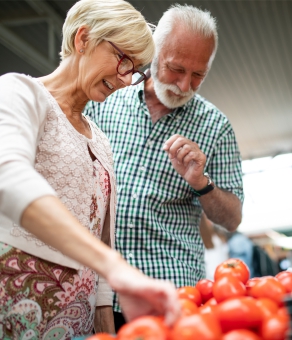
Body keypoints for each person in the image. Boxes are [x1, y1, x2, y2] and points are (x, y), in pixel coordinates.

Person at [0, 0, 180, 338]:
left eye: (134, 70)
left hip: (75, 327)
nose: (125, 80)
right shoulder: (20, 92)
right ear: (83, 39)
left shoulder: (101, 141)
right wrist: (114, 266)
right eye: (123, 61)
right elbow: (4, 177)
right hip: (6, 308)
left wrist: (107, 330)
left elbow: (103, 248)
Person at [84, 4, 243, 330]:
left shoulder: (217, 127)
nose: (185, 85)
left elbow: (233, 219)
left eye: (198, 75)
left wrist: (202, 183)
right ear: (154, 52)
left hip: (172, 294)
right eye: (176, 69)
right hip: (99, 293)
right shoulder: (106, 100)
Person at [199, 213, 230, 280]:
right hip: (222, 278)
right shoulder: (218, 238)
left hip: (215, 280)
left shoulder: (214, 240)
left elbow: (213, 270)